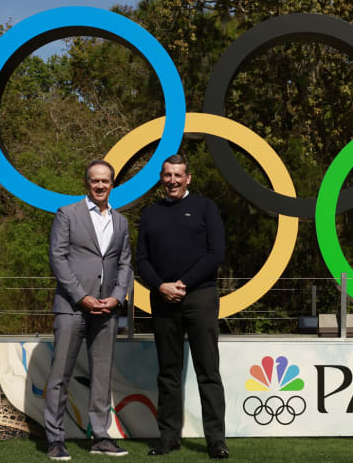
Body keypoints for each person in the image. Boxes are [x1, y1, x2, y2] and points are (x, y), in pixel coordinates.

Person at [137, 154, 228, 458]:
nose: (172, 180)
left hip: (199, 297)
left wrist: (183, 283)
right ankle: (168, 436)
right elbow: (142, 261)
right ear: (161, 178)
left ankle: (216, 439)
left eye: (178, 175)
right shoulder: (150, 213)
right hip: (162, 299)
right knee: (168, 371)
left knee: (208, 370)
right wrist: (161, 286)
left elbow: (216, 253)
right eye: (167, 175)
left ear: (188, 178)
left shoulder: (206, 207)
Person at [44, 159, 132, 460]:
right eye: (95, 180)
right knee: (60, 375)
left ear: (112, 183)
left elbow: (124, 264)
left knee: (102, 376)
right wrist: (81, 297)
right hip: (71, 308)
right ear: (87, 183)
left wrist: (118, 297)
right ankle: (55, 440)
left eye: (105, 180)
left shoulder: (121, 222)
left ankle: (100, 436)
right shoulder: (67, 214)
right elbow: (58, 259)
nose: (100, 185)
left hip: (107, 310)